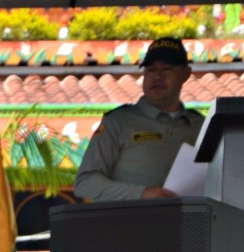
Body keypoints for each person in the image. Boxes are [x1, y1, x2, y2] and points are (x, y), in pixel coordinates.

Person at [74, 38, 202, 202]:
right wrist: (142, 193)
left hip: (188, 218)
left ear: (186, 74)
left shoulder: (201, 125)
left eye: (167, 69)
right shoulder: (118, 122)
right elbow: (85, 183)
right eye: (151, 69)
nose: (158, 76)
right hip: (129, 218)